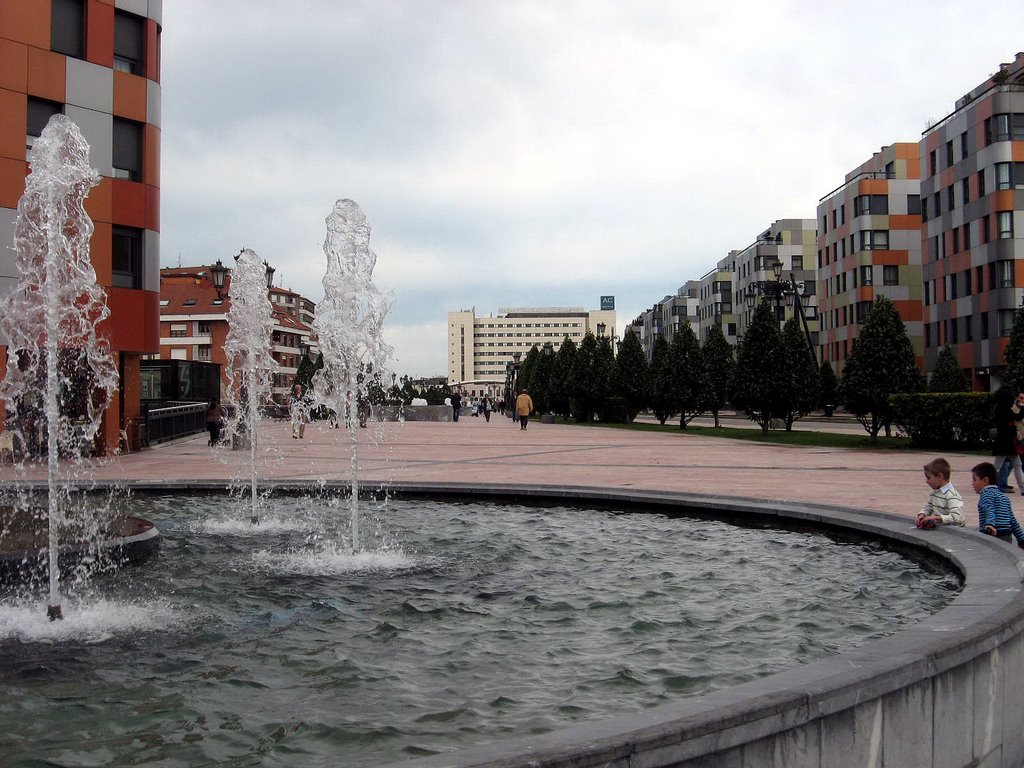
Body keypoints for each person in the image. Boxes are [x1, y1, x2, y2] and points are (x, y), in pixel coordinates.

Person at [972, 461, 1024, 547]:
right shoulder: (1004, 497)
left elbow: (989, 510)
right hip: (1006, 534)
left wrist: (990, 525)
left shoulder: (986, 495)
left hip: (993, 533)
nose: (972, 483)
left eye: (974, 479)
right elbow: (1012, 520)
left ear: (985, 480)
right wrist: (1021, 538)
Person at [991, 387, 1024, 493]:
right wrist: (1022, 408)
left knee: (999, 465)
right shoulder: (1005, 409)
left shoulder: (999, 408)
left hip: (1003, 440)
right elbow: (1018, 417)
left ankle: (988, 484)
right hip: (1008, 441)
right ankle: (1022, 487)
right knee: (1014, 464)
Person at [916, 457, 965, 528]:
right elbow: (928, 507)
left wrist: (936, 518)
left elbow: (957, 517)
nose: (927, 481)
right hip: (942, 530)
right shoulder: (935, 493)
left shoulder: (952, 495)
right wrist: (922, 514)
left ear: (940, 476)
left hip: (955, 533)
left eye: (928, 478)